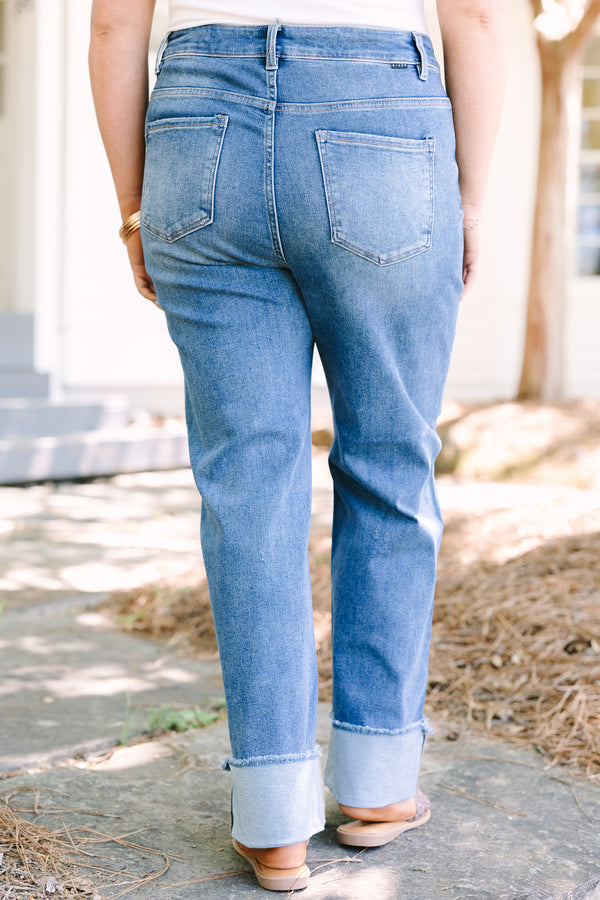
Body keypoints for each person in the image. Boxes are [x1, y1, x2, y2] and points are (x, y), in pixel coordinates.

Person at [89, 0, 504, 891]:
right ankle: (379, 784)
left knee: (248, 486)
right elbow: (473, 14)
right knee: (389, 465)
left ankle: (274, 820)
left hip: (200, 129)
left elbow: (114, 26)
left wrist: (133, 208)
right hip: (380, 120)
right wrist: (469, 202)